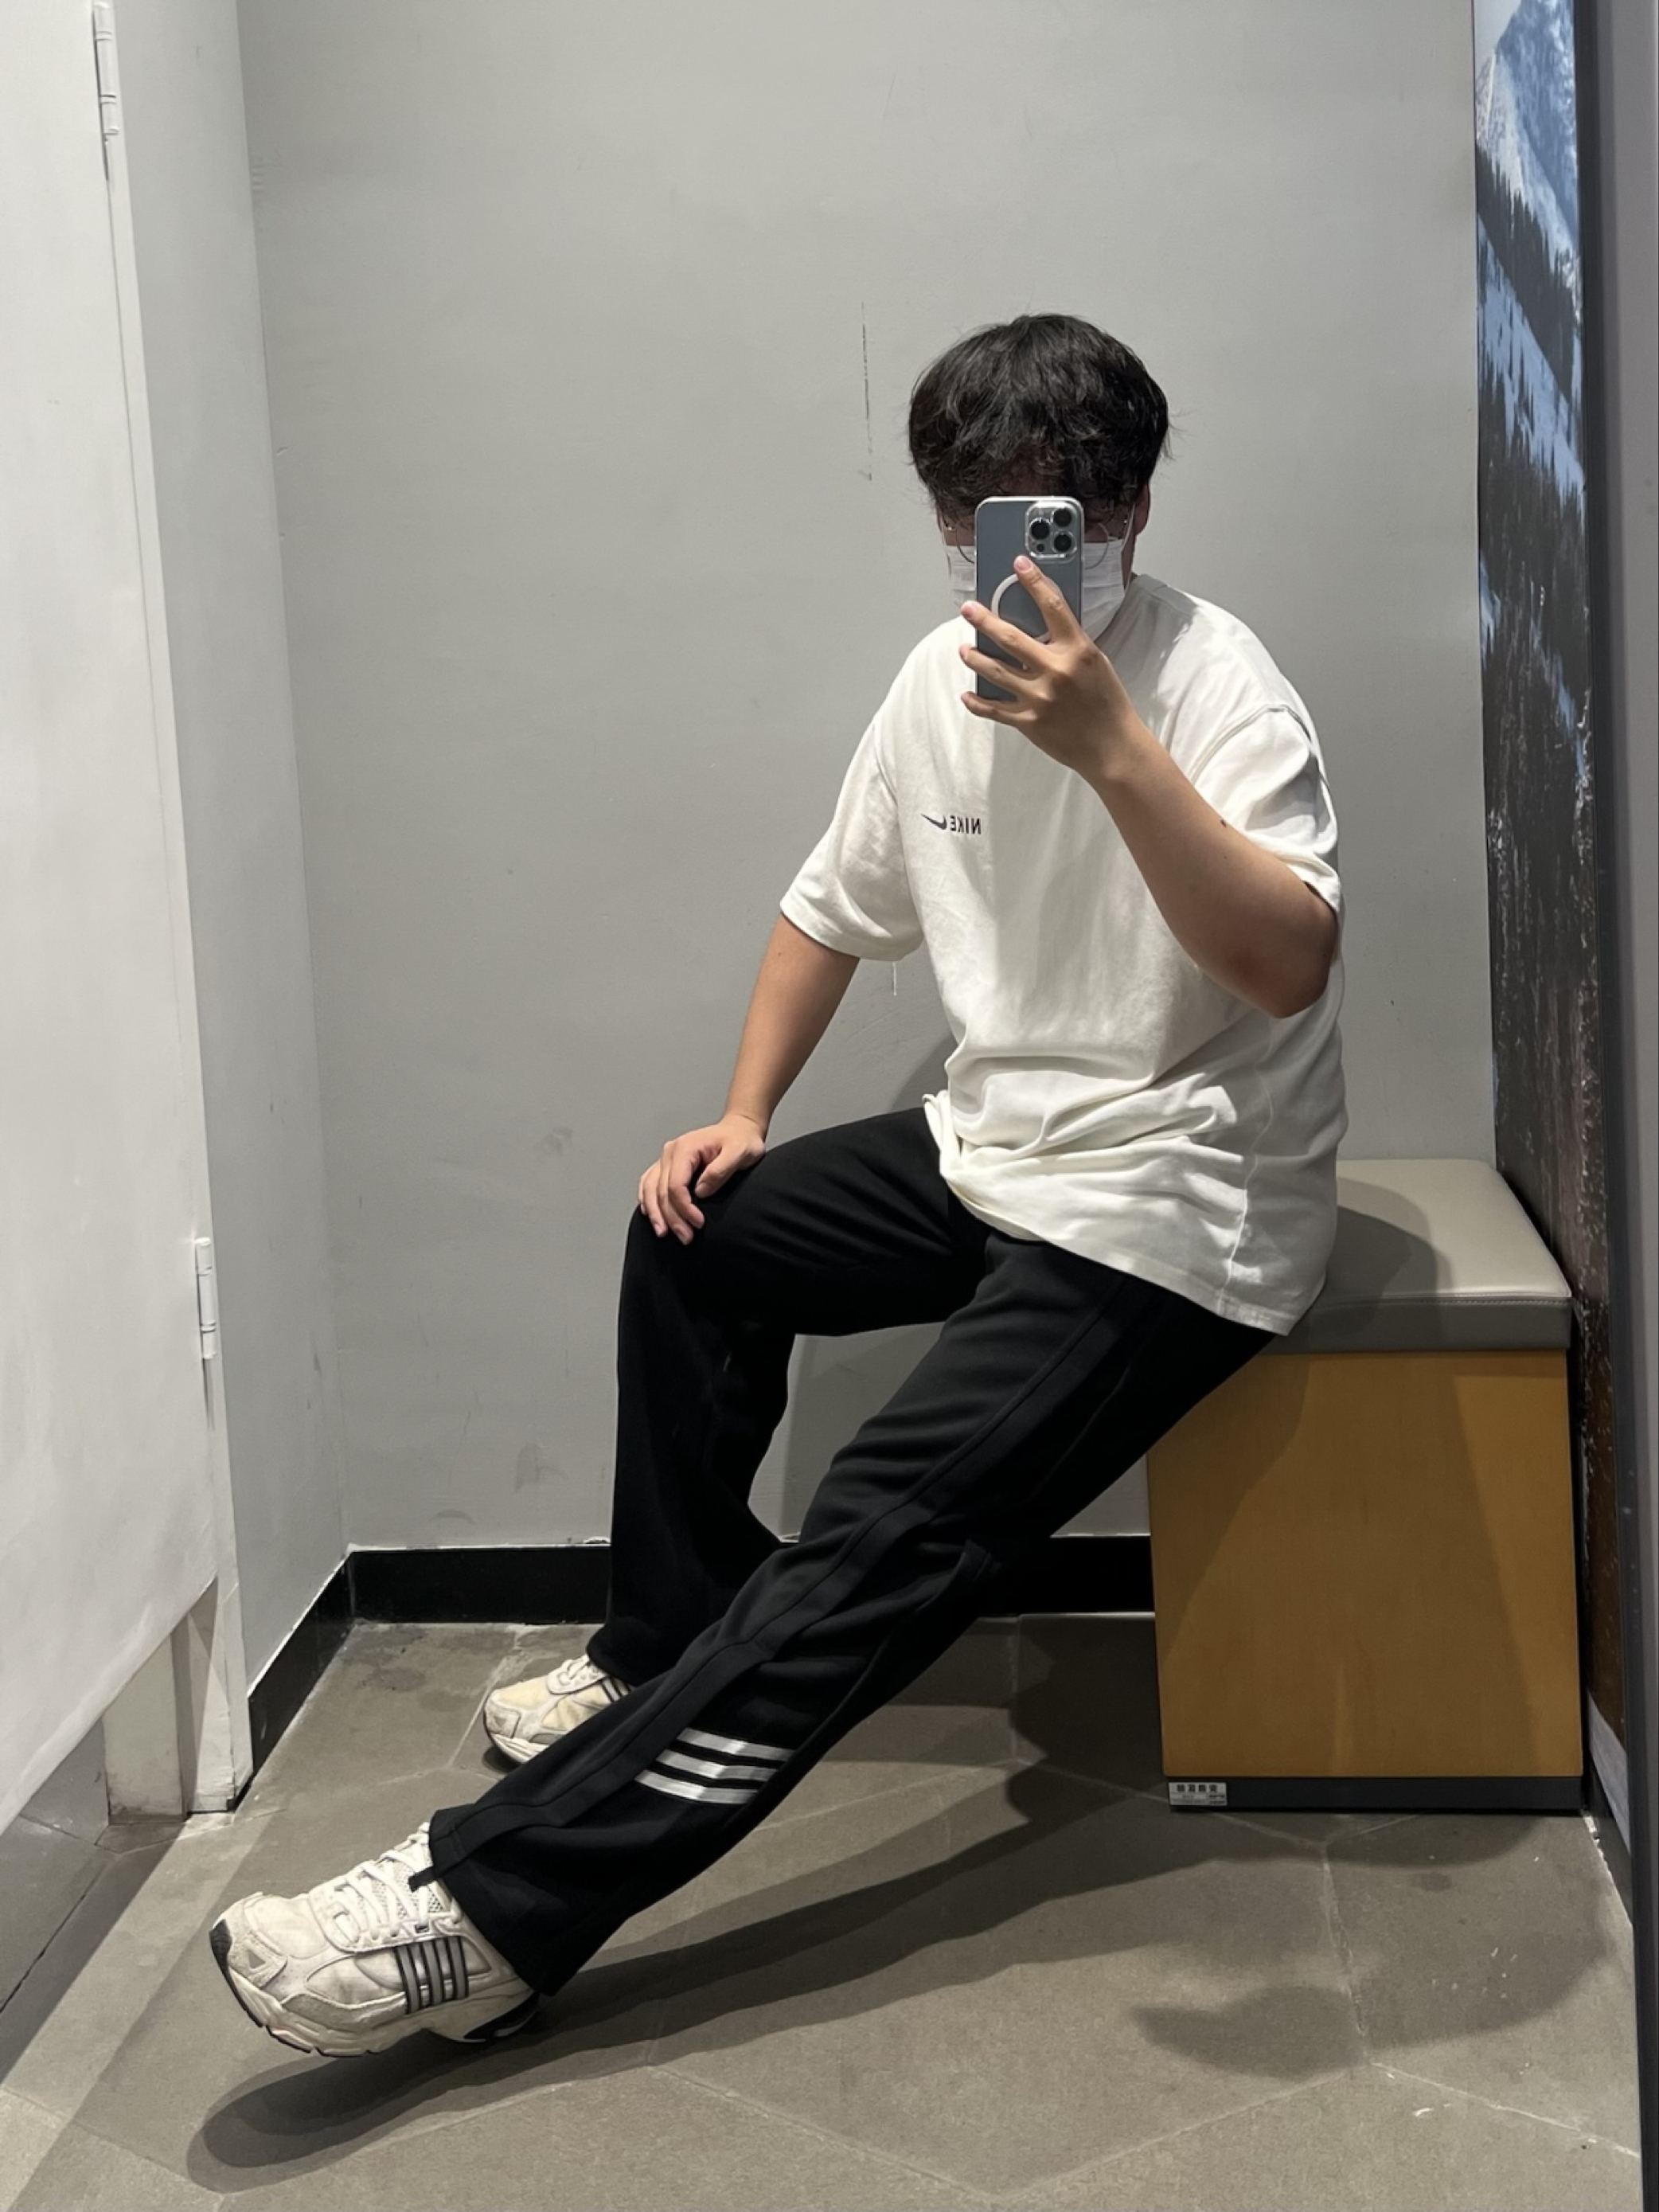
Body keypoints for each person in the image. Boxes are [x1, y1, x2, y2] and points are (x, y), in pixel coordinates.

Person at [209, 313, 1346, 2057]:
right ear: (944, 517)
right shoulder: (933, 681)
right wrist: (741, 1114)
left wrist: (1115, 750)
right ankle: (664, 1633)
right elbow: (829, 907)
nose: (1019, 551)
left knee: (881, 1528)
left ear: (1131, 507)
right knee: (694, 1232)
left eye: (1062, 511)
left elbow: (1285, 965)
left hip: (1177, 1195)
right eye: (978, 513)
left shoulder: (1217, 686)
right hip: (998, 1143)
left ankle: (490, 1915)